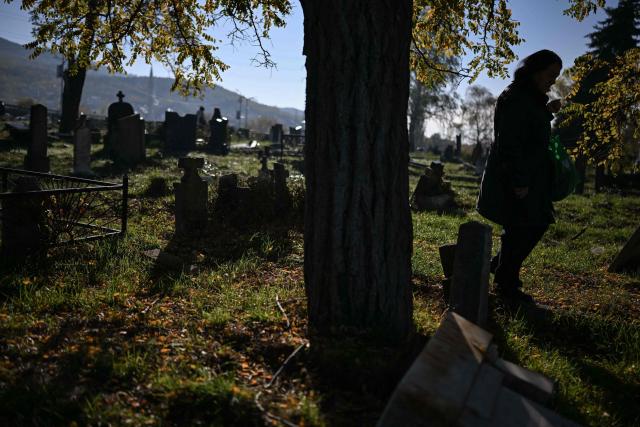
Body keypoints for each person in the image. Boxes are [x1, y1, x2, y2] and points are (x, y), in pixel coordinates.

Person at [477, 49, 563, 303]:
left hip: (529, 175)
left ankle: (498, 270)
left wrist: (547, 112)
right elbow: (511, 142)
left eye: (556, 75)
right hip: (516, 176)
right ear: (536, 70)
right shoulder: (516, 97)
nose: (554, 80)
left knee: (526, 226)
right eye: (551, 74)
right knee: (523, 226)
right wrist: (519, 181)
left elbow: (530, 128)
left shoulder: (530, 97)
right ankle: (506, 284)